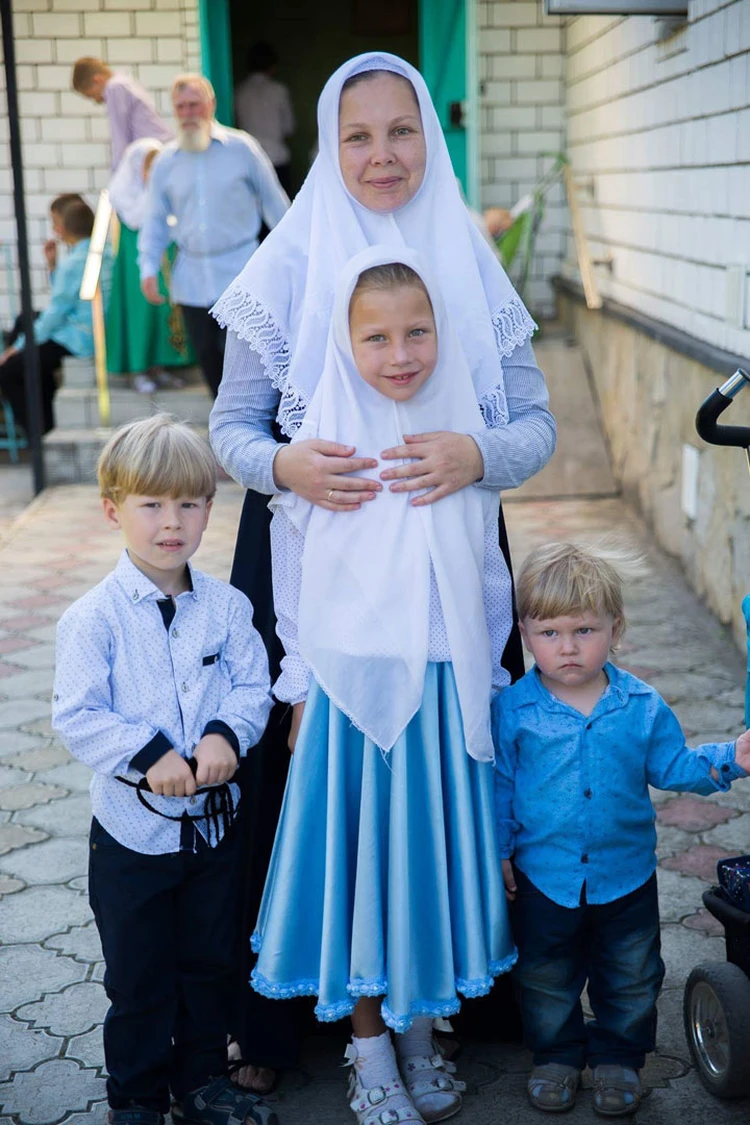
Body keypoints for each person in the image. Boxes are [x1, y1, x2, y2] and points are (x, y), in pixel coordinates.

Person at [209, 50, 555, 1090]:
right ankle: (300, 1032)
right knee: (319, 798)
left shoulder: (470, 263)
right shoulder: (286, 267)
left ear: (430, 138)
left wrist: (476, 454)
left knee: (442, 794)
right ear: (328, 144)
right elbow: (228, 427)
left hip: (448, 560)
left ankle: (434, 1016)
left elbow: (535, 426)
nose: (381, 154)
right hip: (318, 559)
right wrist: (283, 462)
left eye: (400, 131)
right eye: (356, 135)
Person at [252, 247, 516, 1125]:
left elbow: (486, 576)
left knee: (422, 866)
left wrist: (493, 675)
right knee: (364, 869)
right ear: (343, 341)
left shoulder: (457, 438)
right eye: (376, 338)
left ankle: (416, 1031)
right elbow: (295, 572)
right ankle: (366, 1049)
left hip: (445, 684)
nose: (400, 354)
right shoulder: (324, 445)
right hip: (354, 691)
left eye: (418, 333)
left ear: (445, 334)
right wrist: (298, 683)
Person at [51, 414, 275, 1125]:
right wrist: (150, 755)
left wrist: (223, 735)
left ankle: (203, 1077)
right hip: (131, 838)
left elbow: (250, 687)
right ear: (114, 509)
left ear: (211, 507)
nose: (171, 522)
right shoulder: (93, 620)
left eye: (189, 503)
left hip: (212, 834)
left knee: (210, 960)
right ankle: (139, 1094)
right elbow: (78, 713)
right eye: (151, 504)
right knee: (140, 976)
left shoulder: (228, 609)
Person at [492, 541, 750, 1117]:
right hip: (544, 876)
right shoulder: (512, 709)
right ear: (525, 633)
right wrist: (500, 850)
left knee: (631, 974)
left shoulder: (641, 704)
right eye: (549, 632)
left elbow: (673, 766)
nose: (567, 647)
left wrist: (731, 755)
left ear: (616, 628)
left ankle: (619, 1058)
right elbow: (501, 787)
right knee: (544, 976)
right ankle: (556, 1056)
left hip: (626, 875)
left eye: (584, 630)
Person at [139, 74, 290, 400]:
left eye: (194, 104)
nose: (188, 112)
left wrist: (292, 256)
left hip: (241, 273)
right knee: (208, 359)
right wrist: (148, 267)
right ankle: (224, 430)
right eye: (181, 107)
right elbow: (154, 219)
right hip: (192, 279)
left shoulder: (242, 148)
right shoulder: (166, 160)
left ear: (211, 105)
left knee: (248, 361)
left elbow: (274, 202)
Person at [0, 197, 102, 435]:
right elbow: (69, 298)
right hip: (82, 327)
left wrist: (18, 346)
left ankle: (40, 432)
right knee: (26, 318)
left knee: (9, 371)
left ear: (64, 228)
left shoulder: (76, 262)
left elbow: (57, 312)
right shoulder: (98, 253)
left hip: (80, 338)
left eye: (55, 223)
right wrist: (54, 266)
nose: (53, 229)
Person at [107, 138, 194, 393]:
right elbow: (136, 220)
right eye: (149, 167)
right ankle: (138, 369)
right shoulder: (126, 197)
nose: (154, 173)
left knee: (163, 313)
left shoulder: (162, 195)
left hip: (165, 261)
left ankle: (161, 366)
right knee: (140, 314)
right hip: (137, 266)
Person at [72, 57, 173, 171]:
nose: (96, 100)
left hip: (154, 156)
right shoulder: (125, 81)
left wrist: (116, 179)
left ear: (97, 80)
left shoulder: (114, 88)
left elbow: (120, 138)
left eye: (91, 95)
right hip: (163, 150)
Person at [234, 42, 295, 196]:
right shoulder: (279, 90)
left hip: (249, 160)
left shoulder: (239, 92)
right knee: (282, 212)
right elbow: (289, 127)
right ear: (272, 66)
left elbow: (236, 126)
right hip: (277, 158)